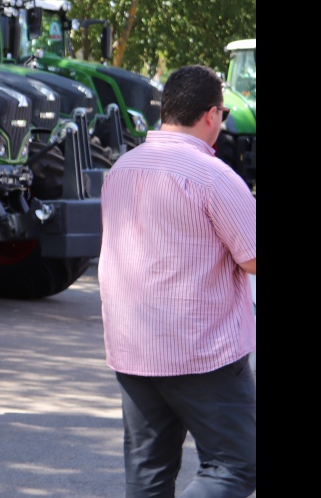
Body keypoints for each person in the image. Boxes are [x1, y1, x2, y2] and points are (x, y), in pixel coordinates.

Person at [99, 64, 256, 498]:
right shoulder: (213, 176)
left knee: (148, 477)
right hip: (202, 353)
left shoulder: (122, 169)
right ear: (211, 114)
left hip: (134, 350)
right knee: (237, 467)